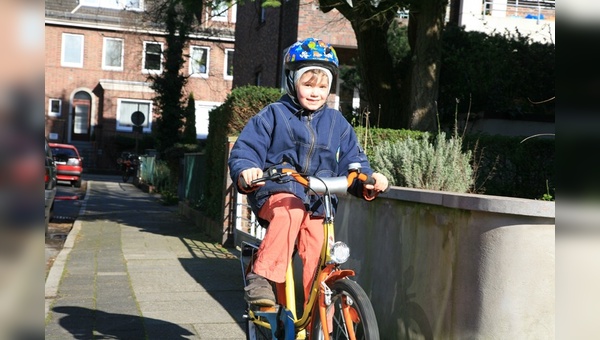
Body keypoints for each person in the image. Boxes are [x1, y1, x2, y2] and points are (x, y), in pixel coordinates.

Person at [228, 37, 389, 307]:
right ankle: (262, 276)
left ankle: (320, 319)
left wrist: (367, 181)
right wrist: (247, 169)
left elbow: (354, 161)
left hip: (318, 202)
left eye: (323, 86)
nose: (316, 92)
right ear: (292, 82)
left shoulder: (337, 123)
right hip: (278, 192)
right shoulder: (274, 115)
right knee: (290, 212)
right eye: (308, 85)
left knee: (319, 255)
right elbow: (246, 149)